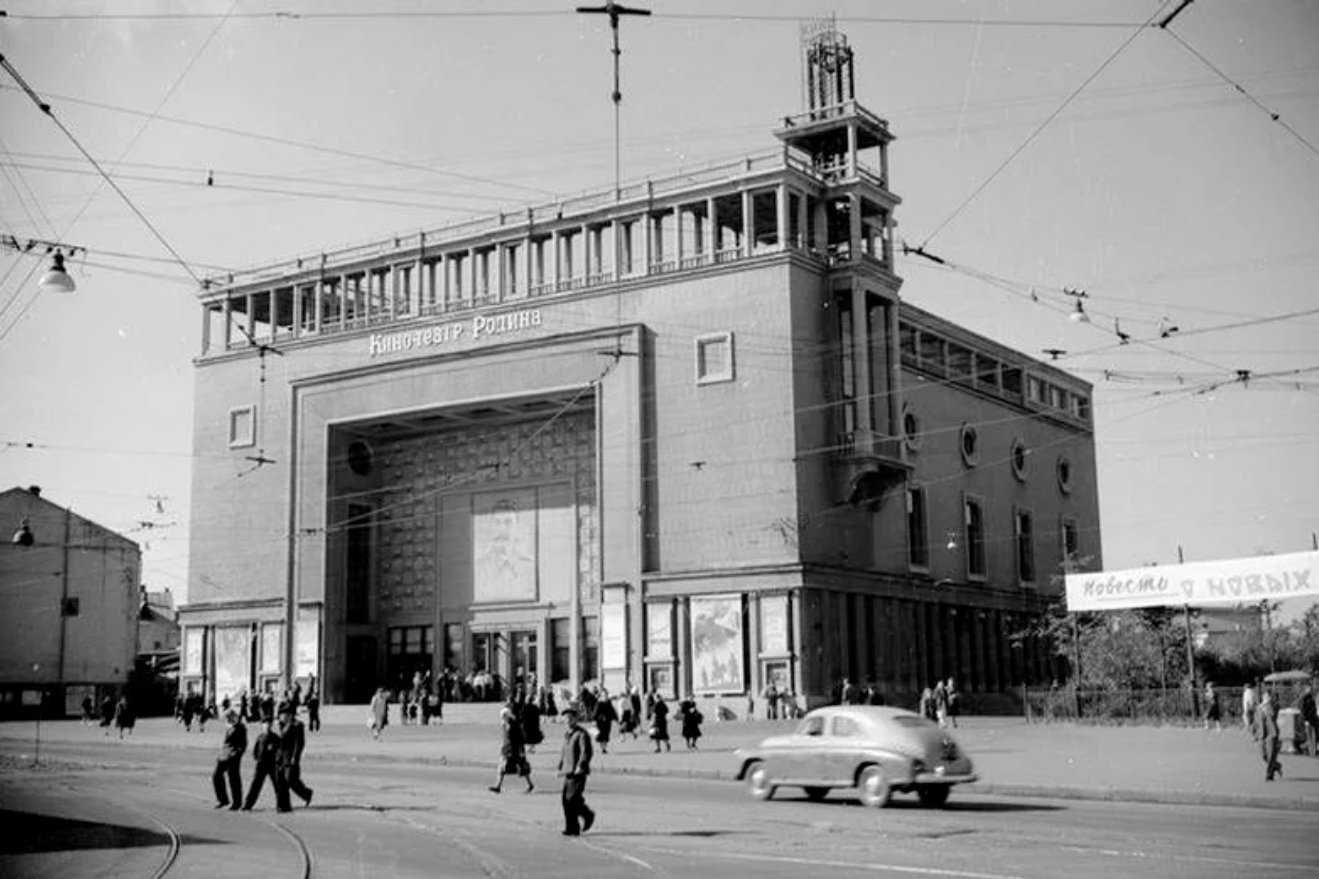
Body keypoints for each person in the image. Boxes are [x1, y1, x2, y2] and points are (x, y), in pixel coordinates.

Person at [557, 706, 595, 837]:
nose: (568, 720)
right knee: (566, 800)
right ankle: (571, 827)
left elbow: (586, 752)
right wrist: (559, 767)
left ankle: (587, 815)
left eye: (570, 718)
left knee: (572, 799)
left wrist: (581, 765)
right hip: (568, 770)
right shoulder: (567, 734)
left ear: (575, 719)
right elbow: (564, 752)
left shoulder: (581, 734)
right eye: (566, 718)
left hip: (578, 771)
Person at [274, 701, 314, 812]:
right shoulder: (282, 725)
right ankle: (283, 806)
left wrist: (295, 758)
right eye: (280, 714)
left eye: (283, 714)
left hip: (291, 757)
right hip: (281, 757)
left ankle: (306, 793)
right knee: (281, 782)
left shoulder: (297, 725)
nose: (281, 716)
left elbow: (299, 743)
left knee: (291, 780)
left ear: (290, 714)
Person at [489, 703, 535, 794]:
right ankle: (498, 786)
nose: (502, 717)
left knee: (521, 767)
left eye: (504, 715)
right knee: (504, 767)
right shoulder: (505, 724)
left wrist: (521, 750)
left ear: (507, 715)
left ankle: (530, 784)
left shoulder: (513, 725)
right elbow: (506, 738)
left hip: (514, 750)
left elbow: (520, 738)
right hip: (507, 749)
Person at [242, 719, 283, 811]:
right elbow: (256, 749)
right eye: (265, 725)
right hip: (261, 764)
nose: (267, 726)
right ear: (262, 726)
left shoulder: (275, 738)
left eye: (269, 724)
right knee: (255, 785)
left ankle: (280, 805)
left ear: (271, 726)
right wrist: (256, 757)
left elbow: (280, 751)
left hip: (273, 765)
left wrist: (277, 760)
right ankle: (248, 804)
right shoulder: (260, 737)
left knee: (278, 785)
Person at [212, 709, 247, 810]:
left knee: (234, 778)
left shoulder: (240, 728)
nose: (227, 720)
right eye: (227, 718)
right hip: (224, 754)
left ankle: (237, 803)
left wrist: (237, 754)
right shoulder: (228, 726)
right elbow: (226, 742)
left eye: (229, 717)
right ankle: (223, 799)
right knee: (216, 776)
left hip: (233, 756)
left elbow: (243, 744)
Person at [1255, 688, 1282, 781]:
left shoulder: (1274, 706)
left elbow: (1273, 714)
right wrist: (1255, 734)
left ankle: (1269, 775)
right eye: (1265, 695)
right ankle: (1277, 765)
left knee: (1270, 755)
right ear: (1263, 696)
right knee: (1263, 755)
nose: (1266, 697)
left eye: (1268, 696)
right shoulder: (1259, 707)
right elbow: (1256, 722)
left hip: (1271, 733)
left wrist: (1268, 705)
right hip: (1262, 734)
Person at [593, 689, 617, 755]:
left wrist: (615, 718)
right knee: (601, 734)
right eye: (604, 694)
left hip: (608, 721)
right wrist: (596, 719)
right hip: (600, 722)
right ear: (601, 695)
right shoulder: (599, 703)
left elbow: (612, 710)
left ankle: (604, 748)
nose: (605, 695)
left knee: (606, 734)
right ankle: (602, 748)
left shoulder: (608, 702)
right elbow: (595, 712)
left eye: (606, 694)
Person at [1299, 683, 1318, 758]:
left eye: (1310, 689)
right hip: (1308, 720)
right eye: (1308, 689)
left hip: (1313, 719)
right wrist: (1305, 720)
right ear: (1305, 689)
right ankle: (1311, 752)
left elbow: (1313, 708)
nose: (1310, 690)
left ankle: (1313, 751)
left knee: (1313, 736)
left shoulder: (1311, 697)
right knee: (1310, 736)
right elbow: (1303, 710)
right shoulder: (1305, 698)